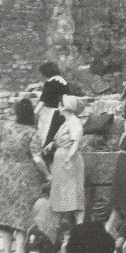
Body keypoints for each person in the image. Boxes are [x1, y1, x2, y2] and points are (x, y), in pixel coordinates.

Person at [0, 99, 48, 253]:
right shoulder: (32, 133)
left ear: (17, 113)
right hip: (25, 177)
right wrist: (48, 174)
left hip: (5, 174)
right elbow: (37, 159)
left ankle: (6, 252)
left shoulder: (6, 127)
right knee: (22, 212)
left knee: (5, 213)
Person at [48, 95, 85, 225]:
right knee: (61, 193)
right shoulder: (66, 122)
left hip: (69, 161)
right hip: (61, 160)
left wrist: (69, 158)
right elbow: (62, 139)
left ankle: (79, 225)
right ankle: (58, 226)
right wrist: (52, 145)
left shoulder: (74, 122)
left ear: (65, 107)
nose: (58, 107)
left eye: (60, 105)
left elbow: (75, 142)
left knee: (73, 193)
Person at [36, 62, 69, 172]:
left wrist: (33, 113)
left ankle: (50, 171)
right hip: (62, 114)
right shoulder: (64, 82)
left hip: (50, 114)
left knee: (46, 141)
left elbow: (42, 101)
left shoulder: (49, 83)